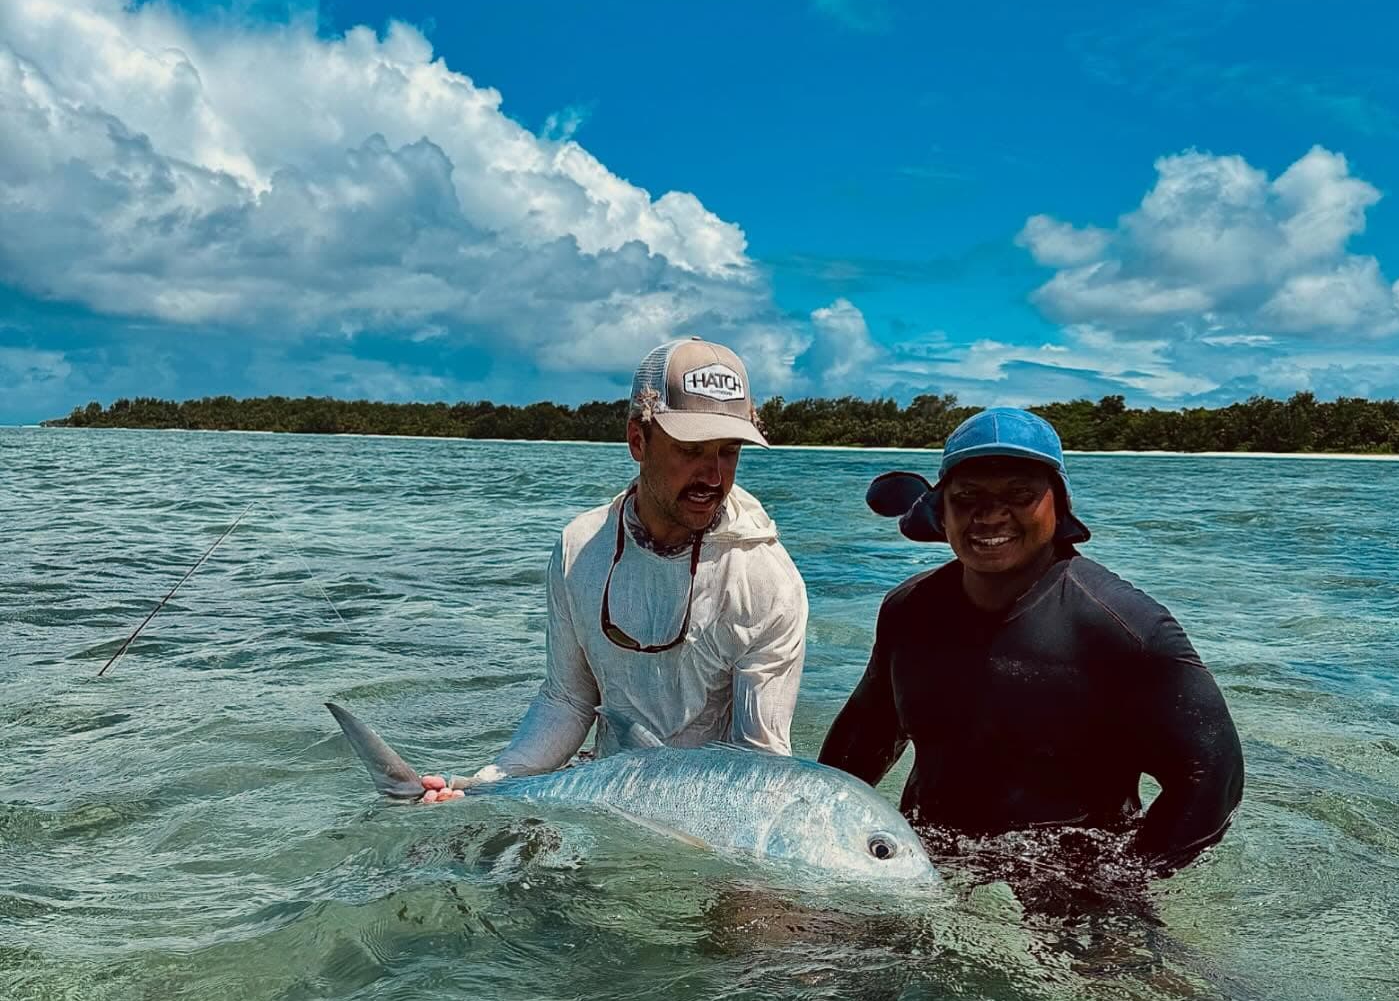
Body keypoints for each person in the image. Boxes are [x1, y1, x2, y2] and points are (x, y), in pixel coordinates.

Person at [818, 407, 1243, 888]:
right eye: (967, 497)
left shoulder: (1121, 627)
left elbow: (1213, 780)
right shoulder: (909, 611)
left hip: (1072, 881)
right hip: (930, 862)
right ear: (942, 510)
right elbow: (863, 743)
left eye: (1020, 495)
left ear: (1058, 505)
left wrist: (1122, 880)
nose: (991, 514)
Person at [420, 338, 808, 800]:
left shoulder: (767, 579)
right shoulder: (580, 547)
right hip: (604, 786)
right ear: (637, 440)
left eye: (729, 450)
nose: (713, 476)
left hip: (712, 807)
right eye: (692, 448)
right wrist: (489, 784)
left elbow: (760, 759)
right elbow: (568, 699)